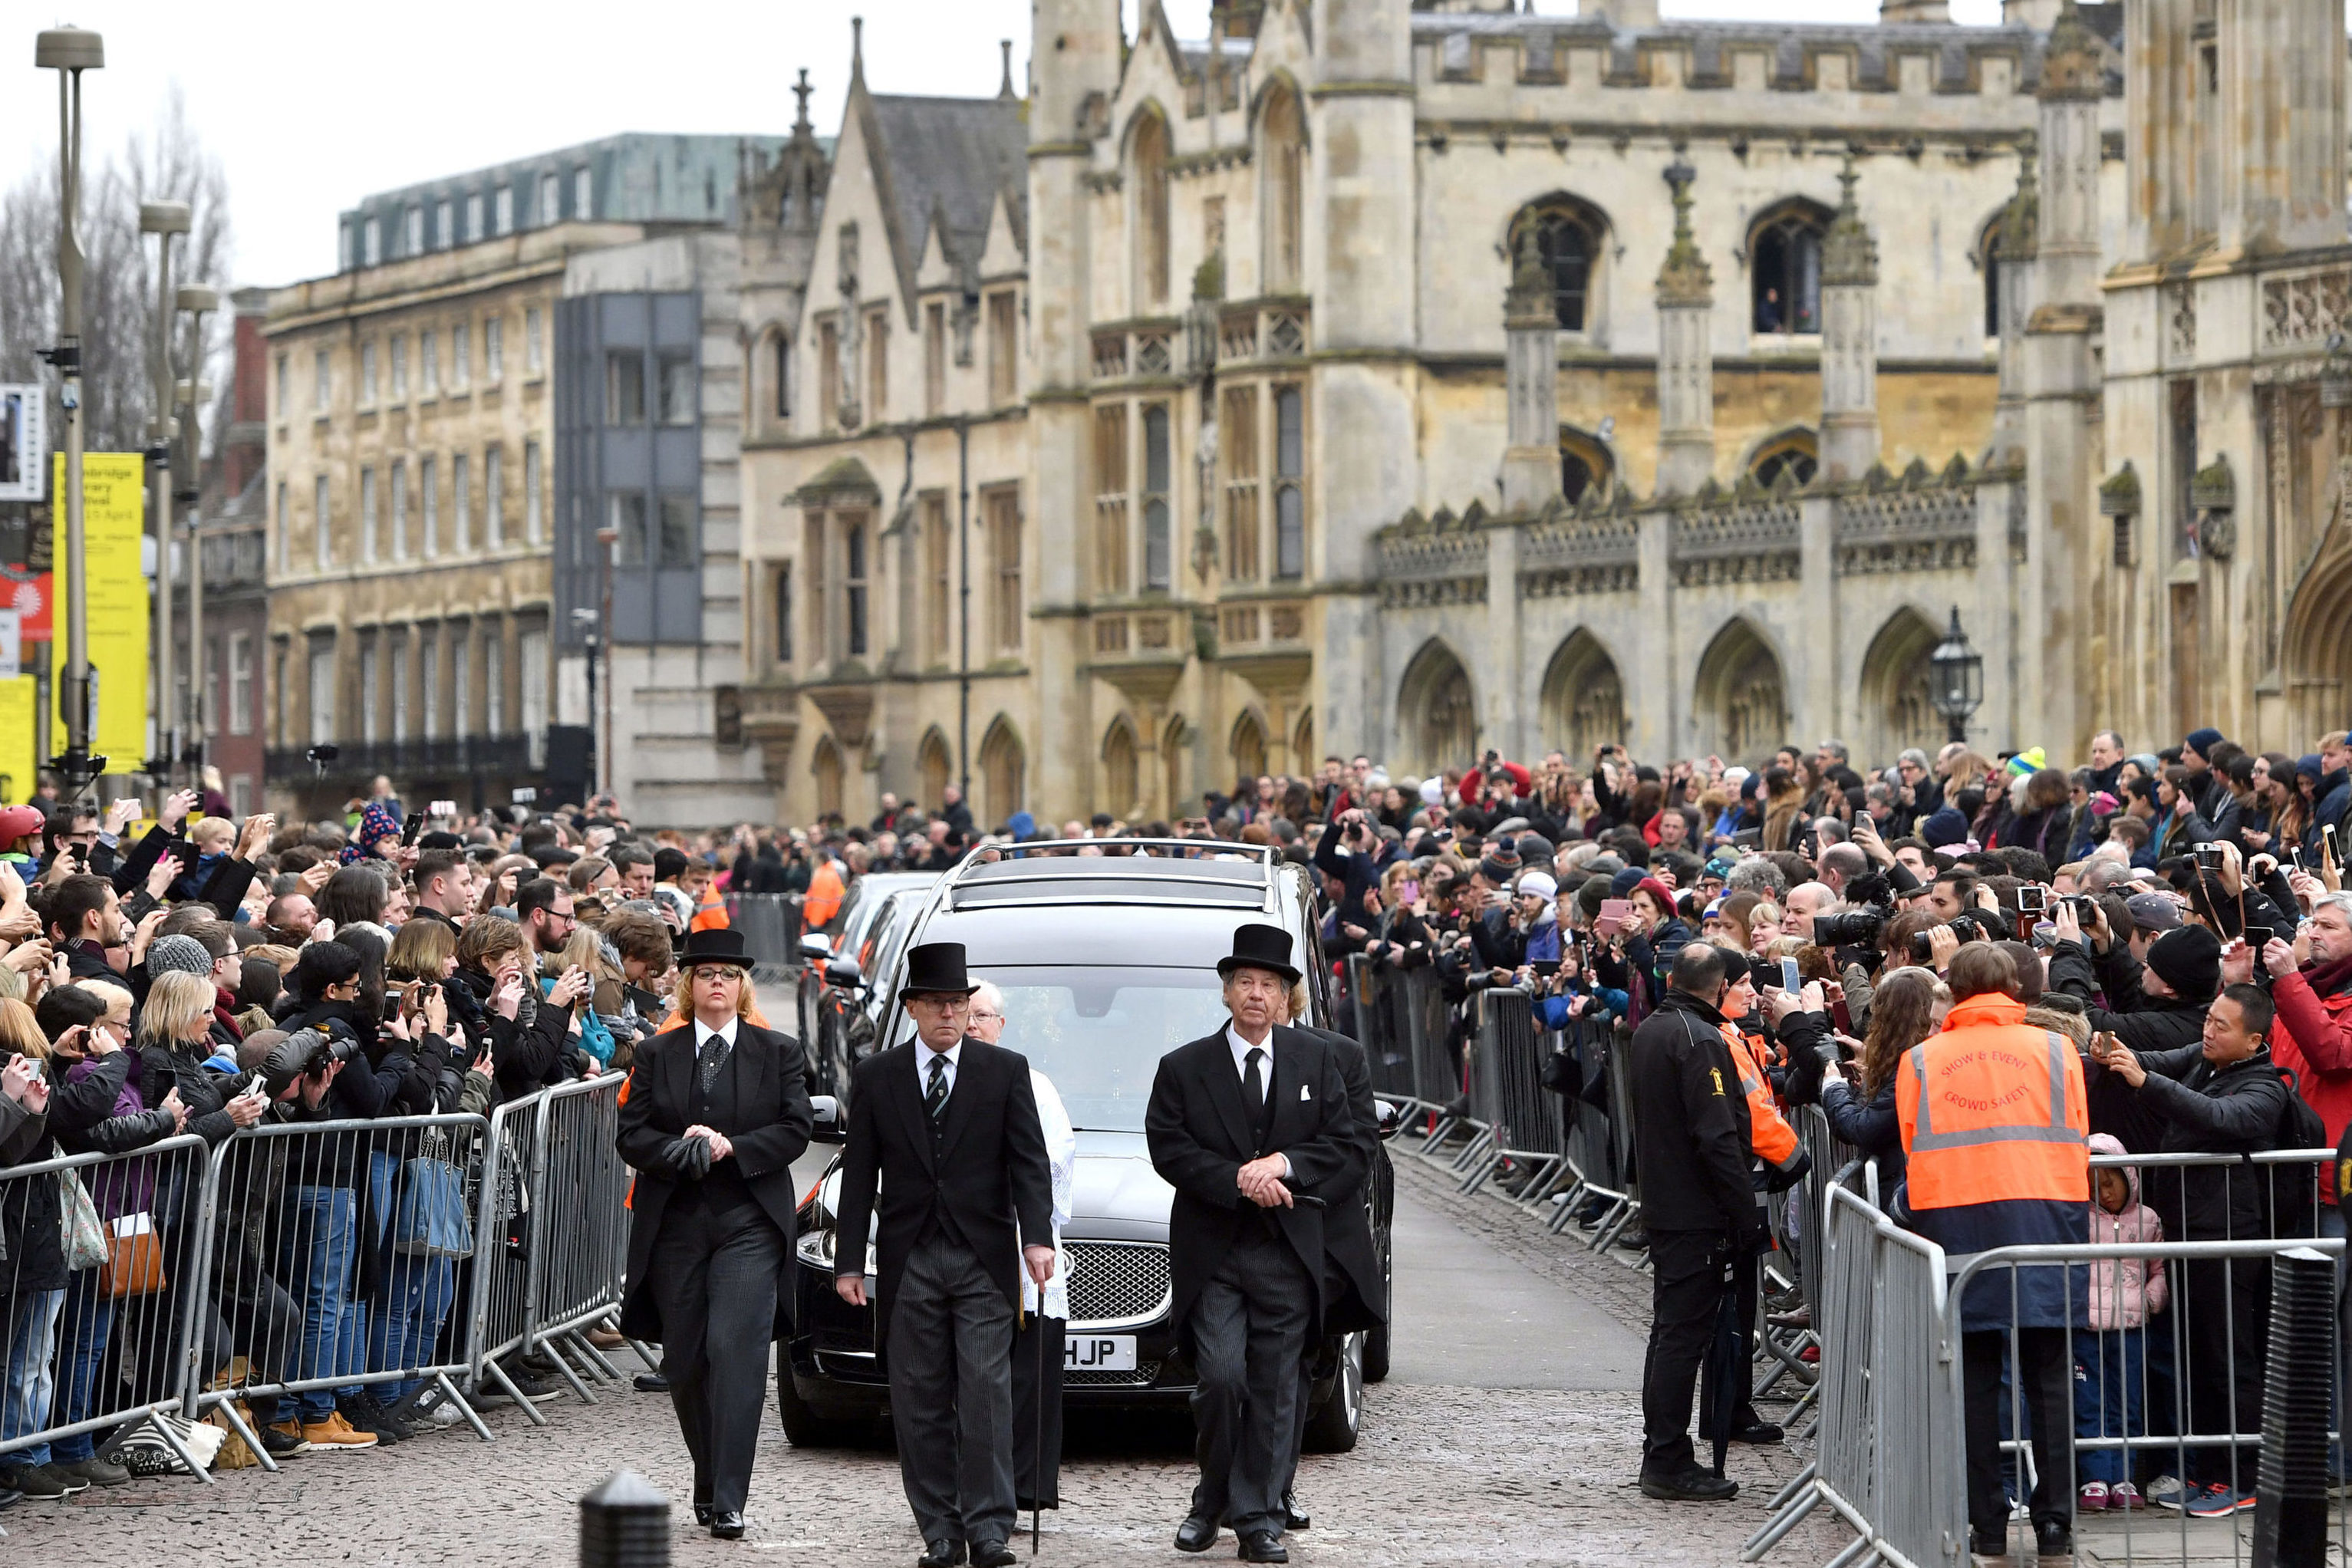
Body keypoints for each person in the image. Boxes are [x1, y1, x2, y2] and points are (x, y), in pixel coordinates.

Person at [832, 942, 1054, 1568]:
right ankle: (939, 1529)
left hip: (983, 1255)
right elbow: (859, 1174)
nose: (948, 1015)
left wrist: (1036, 1236)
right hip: (910, 1258)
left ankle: (988, 1527)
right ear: (912, 1009)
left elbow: (1028, 1162)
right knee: (918, 1397)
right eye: (935, 1004)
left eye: (957, 1004)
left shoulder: (1003, 1070)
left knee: (985, 1393)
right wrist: (851, 1260)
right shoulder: (879, 1076)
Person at [1145, 924, 1357, 1564]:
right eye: (1245, 983)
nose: (1256, 995)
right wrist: (1238, 1178)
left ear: (1287, 996)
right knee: (1221, 1380)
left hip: (1289, 1252)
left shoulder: (1316, 1062)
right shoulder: (1183, 1066)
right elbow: (1168, 1146)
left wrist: (1285, 1165)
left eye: (1269, 984)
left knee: (1275, 1388)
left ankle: (1258, 1519)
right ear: (1227, 992)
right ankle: (1212, 1496)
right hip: (1213, 1251)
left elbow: (1345, 1145)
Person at [614, 927, 813, 1539]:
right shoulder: (656, 1054)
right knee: (688, 1360)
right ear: (688, 985)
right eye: (706, 973)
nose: (718, 982)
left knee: (736, 1349)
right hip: (675, 1223)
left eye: (728, 973)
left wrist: (735, 1146)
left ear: (742, 984)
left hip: (749, 1222)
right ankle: (710, 1476)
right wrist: (678, 1150)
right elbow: (631, 1134)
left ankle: (730, 1496)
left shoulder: (776, 1051)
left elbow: (796, 1128)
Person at [1894, 943, 2088, 1562]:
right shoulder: (2059, 1049)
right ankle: (2056, 1523)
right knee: (2050, 1379)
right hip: (2046, 1220)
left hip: (1959, 1228)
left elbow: (1909, 1141)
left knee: (1976, 1385)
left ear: (1954, 987)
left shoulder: (1921, 1060)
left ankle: (1988, 1528)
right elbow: (2078, 1128)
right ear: (2012, 987)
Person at [2090, 983, 2285, 1517]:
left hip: (2229, 1240)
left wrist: (2145, 1081)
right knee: (2200, 1359)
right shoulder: (2205, 1057)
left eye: (2222, 1026)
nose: (2208, 1030)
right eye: (2209, 1018)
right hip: (2191, 1235)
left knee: (2230, 1361)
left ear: (2253, 1042)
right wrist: (2118, 1054)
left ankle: (2243, 1479)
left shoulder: (2264, 1086)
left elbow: (2222, 1119)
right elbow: (2159, 1060)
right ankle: (2210, 1472)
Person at [1626, 943, 1765, 1503]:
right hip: (1693, 1212)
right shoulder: (1698, 1039)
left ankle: (1663, 1450)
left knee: (1670, 1333)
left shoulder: (1655, 1030)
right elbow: (1717, 1138)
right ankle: (1666, 1458)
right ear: (1716, 986)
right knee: (1682, 1336)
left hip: (1668, 1205)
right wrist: (1745, 1215)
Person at [966, 980, 1077, 1517]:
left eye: (983, 1015)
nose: (972, 1024)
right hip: (965, 1252)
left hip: (1022, 1249)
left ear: (1001, 1025)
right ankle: (976, 1489)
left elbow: (1051, 1162)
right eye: (964, 1014)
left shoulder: (1034, 1085)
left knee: (1029, 1381)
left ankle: (1027, 1488)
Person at [2077, 1133, 2166, 1514]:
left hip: (2131, 1328)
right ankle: (2095, 1478)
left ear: (2129, 1177)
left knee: (2126, 1403)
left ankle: (2124, 1476)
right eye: (2094, 1185)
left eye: (2111, 1182)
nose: (2105, 1193)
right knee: (2088, 1404)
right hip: (2086, 1328)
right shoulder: (2078, 1218)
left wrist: (2150, 1300)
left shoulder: (2147, 1220)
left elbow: (2159, 1270)